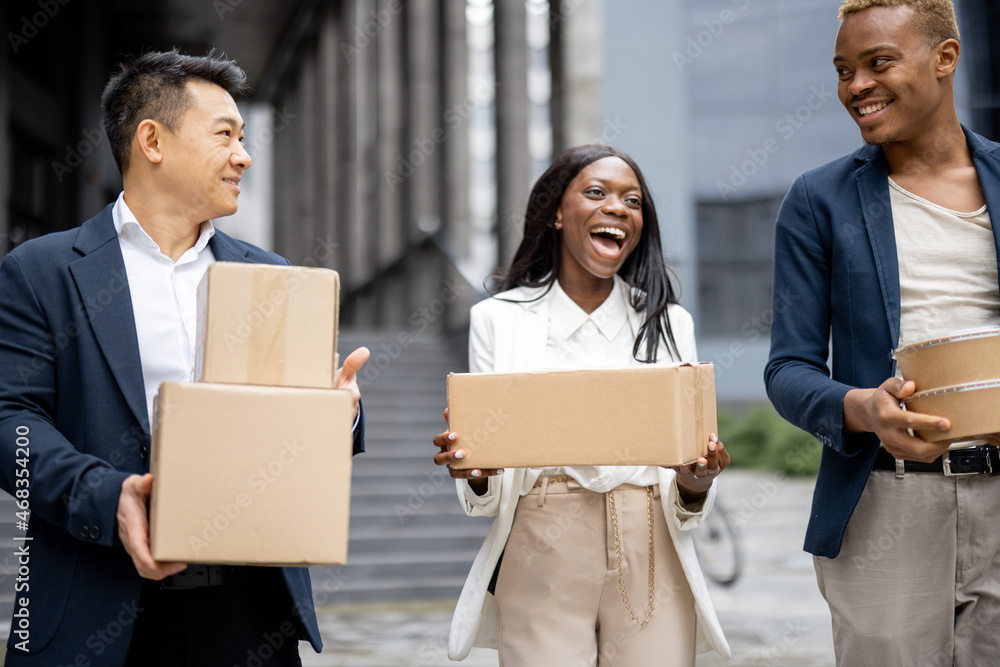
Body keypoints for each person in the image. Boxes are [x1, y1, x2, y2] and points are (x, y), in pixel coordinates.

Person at [0, 49, 369, 665]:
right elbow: (10, 420)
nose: (243, 155)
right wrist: (105, 494)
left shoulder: (269, 275)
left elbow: (309, 425)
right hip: (94, 604)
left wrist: (338, 413)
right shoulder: (42, 271)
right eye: (225, 134)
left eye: (244, 138)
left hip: (249, 612)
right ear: (152, 140)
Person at [765, 1, 1000, 663]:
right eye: (844, 70)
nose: (855, 86)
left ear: (945, 58)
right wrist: (864, 406)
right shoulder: (819, 200)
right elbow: (787, 369)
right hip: (886, 499)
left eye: (877, 63)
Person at [432, 145, 731, 666]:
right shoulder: (497, 320)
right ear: (555, 212)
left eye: (632, 200)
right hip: (542, 537)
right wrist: (476, 474)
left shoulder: (668, 322)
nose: (617, 208)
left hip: (650, 541)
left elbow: (687, 483)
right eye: (596, 193)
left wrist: (697, 482)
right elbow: (490, 485)